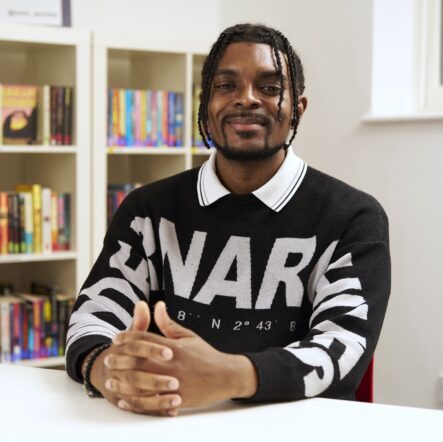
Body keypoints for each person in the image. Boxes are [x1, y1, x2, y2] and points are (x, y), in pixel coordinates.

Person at [66, 23, 391, 417]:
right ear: (205, 105)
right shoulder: (147, 210)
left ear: (297, 109)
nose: (246, 99)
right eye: (226, 86)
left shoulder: (352, 217)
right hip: (167, 423)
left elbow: (342, 350)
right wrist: (105, 369)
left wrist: (228, 375)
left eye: (270, 88)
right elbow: (92, 315)